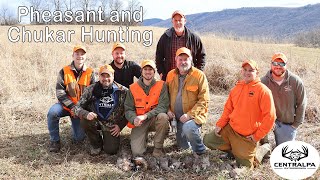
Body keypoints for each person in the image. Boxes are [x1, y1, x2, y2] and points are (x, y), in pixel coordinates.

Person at [203, 60, 276, 168]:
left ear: (257, 72)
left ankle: (263, 148)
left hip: (247, 136)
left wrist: (257, 136)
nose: (247, 72)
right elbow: (228, 109)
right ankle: (235, 150)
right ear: (242, 71)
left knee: (246, 165)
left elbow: (270, 117)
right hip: (231, 129)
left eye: (251, 70)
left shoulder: (263, 91)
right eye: (245, 70)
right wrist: (220, 125)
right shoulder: (237, 88)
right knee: (208, 140)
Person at [47, 45, 95, 152]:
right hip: (66, 106)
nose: (80, 56)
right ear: (72, 56)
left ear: (85, 56)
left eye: (82, 54)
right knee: (52, 113)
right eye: (77, 54)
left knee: (79, 139)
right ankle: (54, 141)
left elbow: (92, 94)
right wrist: (73, 107)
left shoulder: (90, 73)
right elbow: (60, 92)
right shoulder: (64, 71)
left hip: (80, 108)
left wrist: (81, 110)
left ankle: (76, 129)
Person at [73, 65, 128, 155]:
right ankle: (96, 144)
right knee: (85, 120)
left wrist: (120, 125)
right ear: (99, 76)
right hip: (95, 120)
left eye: (108, 76)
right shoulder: (91, 89)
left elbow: (130, 110)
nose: (105, 79)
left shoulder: (122, 91)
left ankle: (107, 140)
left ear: (113, 76)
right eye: (103, 76)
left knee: (111, 151)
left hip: (111, 125)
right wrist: (85, 113)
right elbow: (76, 108)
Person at [166, 47, 209, 156]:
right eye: (180, 59)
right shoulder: (170, 75)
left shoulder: (199, 76)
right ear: (176, 60)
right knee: (183, 147)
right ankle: (189, 137)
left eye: (186, 59)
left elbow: (204, 100)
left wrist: (189, 115)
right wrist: (168, 110)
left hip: (192, 117)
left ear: (191, 60)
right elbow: (165, 96)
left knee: (188, 128)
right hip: (177, 118)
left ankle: (200, 150)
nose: (183, 62)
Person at [124, 60, 170, 157]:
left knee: (163, 117)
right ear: (141, 71)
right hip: (139, 122)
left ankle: (158, 149)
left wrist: (145, 116)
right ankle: (143, 138)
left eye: (150, 69)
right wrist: (133, 119)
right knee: (137, 152)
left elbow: (163, 106)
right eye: (145, 69)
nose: (148, 72)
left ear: (154, 71)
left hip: (154, 119)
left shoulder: (162, 85)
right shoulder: (132, 88)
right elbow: (128, 109)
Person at [261, 53, 307, 146]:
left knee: (284, 151)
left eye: (282, 64)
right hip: (266, 121)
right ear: (271, 64)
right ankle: (265, 151)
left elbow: (302, 103)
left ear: (286, 65)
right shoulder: (263, 82)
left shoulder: (296, 81)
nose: (278, 66)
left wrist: (295, 125)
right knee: (259, 146)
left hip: (287, 123)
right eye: (275, 63)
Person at [156, 10, 206, 81]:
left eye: (180, 20)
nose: (178, 22)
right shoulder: (165, 37)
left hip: (189, 78)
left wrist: (198, 72)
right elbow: (158, 56)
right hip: (170, 77)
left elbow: (202, 56)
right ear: (172, 22)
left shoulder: (193, 38)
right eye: (175, 20)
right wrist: (161, 73)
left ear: (184, 21)